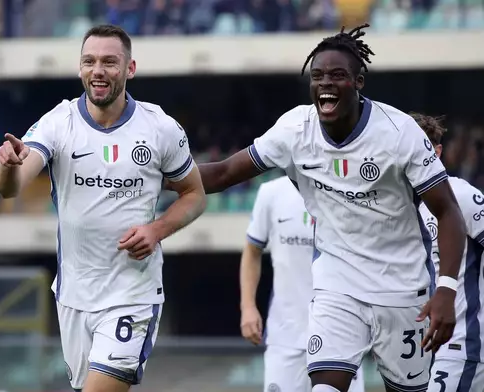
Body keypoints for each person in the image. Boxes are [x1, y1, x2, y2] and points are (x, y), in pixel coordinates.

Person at [193, 24, 466, 392]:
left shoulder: (399, 133)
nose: (326, 83)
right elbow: (225, 171)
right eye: (318, 75)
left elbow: (448, 210)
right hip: (337, 284)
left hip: (402, 290)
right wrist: (164, 174)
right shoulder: (294, 130)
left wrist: (446, 291)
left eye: (338, 75)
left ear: (359, 81)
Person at [0, 24, 206, 392]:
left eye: (110, 62)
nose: (98, 71)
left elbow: (194, 194)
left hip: (132, 293)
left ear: (130, 68)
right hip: (74, 294)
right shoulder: (58, 123)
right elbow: (11, 187)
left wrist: (156, 230)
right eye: (89, 61)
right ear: (79, 68)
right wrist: (8, 166)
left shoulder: (160, 128)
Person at [241, 175, 365, 392]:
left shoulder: (350, 190)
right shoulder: (271, 193)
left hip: (341, 338)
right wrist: (248, 307)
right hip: (285, 337)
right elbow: (252, 251)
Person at [414, 113, 484, 391]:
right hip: (421, 348)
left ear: (438, 151)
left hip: (462, 344)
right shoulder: (397, 204)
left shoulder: (461, 196)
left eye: (422, 148)